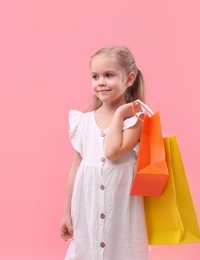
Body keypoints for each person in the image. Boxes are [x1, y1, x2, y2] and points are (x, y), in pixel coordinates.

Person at [60, 45, 149, 260]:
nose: (100, 82)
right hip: (87, 205)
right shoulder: (82, 122)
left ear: (129, 79)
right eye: (95, 76)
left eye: (109, 75)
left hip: (122, 206)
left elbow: (112, 152)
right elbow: (76, 168)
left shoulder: (134, 119)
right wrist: (67, 212)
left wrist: (119, 114)